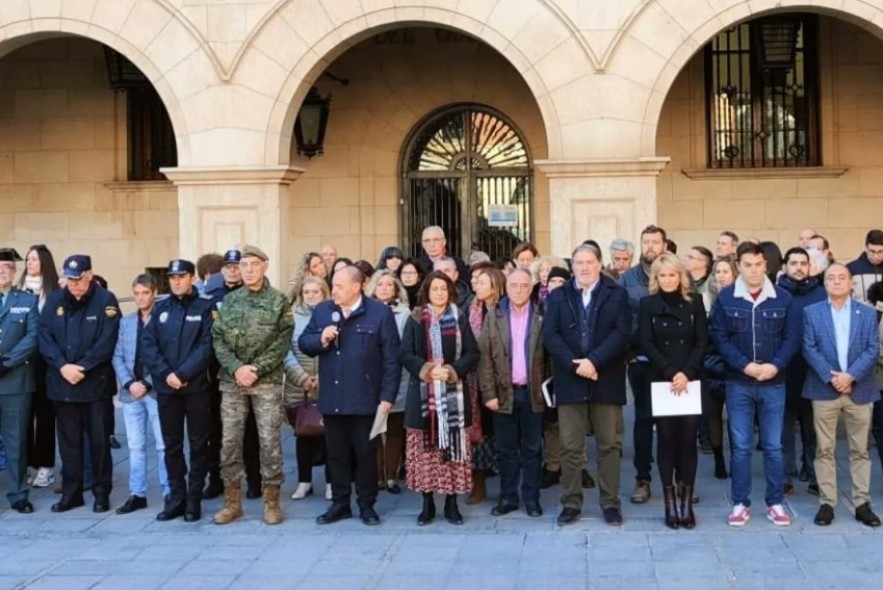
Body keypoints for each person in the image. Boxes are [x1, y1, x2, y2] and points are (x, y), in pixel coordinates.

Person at [299, 266, 400, 526]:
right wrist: (321, 338)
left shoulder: (379, 312)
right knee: (337, 455)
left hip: (366, 399)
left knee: (366, 455)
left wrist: (387, 396)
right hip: (333, 398)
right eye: (333, 286)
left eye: (339, 287)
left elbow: (391, 359)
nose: (334, 292)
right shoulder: (323, 311)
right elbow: (304, 343)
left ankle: (367, 505)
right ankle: (340, 504)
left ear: (357, 287)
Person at [709, 242, 801, 527]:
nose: (753, 270)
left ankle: (774, 502)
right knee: (741, 446)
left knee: (773, 446)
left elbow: (792, 337)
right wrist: (744, 365)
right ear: (739, 265)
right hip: (739, 382)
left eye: (758, 264)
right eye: (747, 265)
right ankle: (740, 503)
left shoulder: (783, 299)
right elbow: (719, 337)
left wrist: (774, 365)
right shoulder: (726, 298)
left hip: (774, 382)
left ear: (766, 265)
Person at [543, 243, 631, 526]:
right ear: (573, 267)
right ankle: (570, 503)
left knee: (608, 445)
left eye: (589, 262)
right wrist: (576, 365)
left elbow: (622, 333)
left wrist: (594, 361)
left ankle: (610, 503)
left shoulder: (617, 293)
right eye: (578, 262)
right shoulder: (558, 296)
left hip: (606, 378)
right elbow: (551, 336)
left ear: (599, 264)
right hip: (570, 379)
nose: (583, 267)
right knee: (570, 446)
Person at [212, 245, 293, 526]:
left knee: (270, 442)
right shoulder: (230, 301)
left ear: (264, 267)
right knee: (229, 442)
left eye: (253, 264)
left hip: (266, 382)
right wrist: (237, 368)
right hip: (232, 382)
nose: (247, 269)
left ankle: (272, 503)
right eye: (243, 265)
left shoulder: (279, 301)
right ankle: (232, 503)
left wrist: (255, 369)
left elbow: (282, 342)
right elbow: (218, 339)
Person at [801, 264, 881, 527]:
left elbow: (872, 349)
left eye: (841, 277)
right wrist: (833, 377)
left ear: (851, 283)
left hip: (860, 389)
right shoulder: (812, 313)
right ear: (824, 283)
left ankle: (862, 502)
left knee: (861, 449)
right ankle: (827, 502)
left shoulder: (868, 314)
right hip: (824, 389)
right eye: (830, 278)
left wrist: (850, 376)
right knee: (825, 449)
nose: (836, 281)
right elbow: (809, 348)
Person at [39, 254, 120, 513]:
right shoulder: (55, 300)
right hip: (63, 385)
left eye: (78, 279)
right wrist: (63, 366)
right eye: (70, 279)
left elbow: (106, 342)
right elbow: (45, 336)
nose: (73, 284)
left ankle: (101, 492)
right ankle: (72, 493)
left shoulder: (105, 301)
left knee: (99, 443)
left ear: (89, 275)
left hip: (94, 385)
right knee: (69, 444)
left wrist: (82, 367)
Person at [400, 271, 479, 526]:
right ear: (426, 291)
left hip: (453, 394)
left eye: (444, 289)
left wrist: (452, 371)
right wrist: (428, 369)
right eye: (435, 289)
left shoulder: (459, 318)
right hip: (423, 396)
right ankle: (427, 503)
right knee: (425, 453)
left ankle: (452, 503)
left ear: (450, 291)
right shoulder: (414, 319)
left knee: (454, 451)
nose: (439, 293)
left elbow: (472, 353)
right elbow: (405, 354)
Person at [140, 260, 215, 522]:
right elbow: (148, 345)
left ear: (192, 278)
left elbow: (207, 345)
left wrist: (183, 374)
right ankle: (176, 497)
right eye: (172, 277)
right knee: (171, 445)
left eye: (181, 276)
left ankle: (194, 499)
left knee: (198, 445)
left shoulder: (206, 307)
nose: (175, 281)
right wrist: (167, 374)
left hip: (195, 388)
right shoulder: (161, 308)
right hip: (167, 389)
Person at [638, 254, 707, 529]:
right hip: (661, 379)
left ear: (681, 276)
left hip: (689, 380)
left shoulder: (695, 302)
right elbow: (646, 341)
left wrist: (687, 372)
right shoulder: (647, 304)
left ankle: (686, 502)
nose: (667, 280)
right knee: (666, 440)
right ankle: (669, 503)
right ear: (656, 278)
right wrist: (670, 372)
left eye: (672, 274)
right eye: (662, 275)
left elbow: (703, 340)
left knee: (688, 441)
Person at [478, 268, 546, 517]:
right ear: (506, 287)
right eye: (514, 285)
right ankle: (508, 498)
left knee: (532, 449)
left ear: (531, 288)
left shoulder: (542, 314)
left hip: (532, 394)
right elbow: (484, 358)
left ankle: (532, 498)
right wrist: (489, 394)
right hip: (503, 394)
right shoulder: (494, 316)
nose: (519, 290)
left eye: (524, 285)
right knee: (506, 451)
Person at [203, 249, 262, 501]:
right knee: (217, 432)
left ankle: (255, 480)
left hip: (247, 373)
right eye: (228, 266)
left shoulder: (252, 296)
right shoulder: (212, 298)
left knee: (250, 431)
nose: (232, 270)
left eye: (236, 266)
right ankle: (216, 479)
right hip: (219, 375)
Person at [111, 274, 170, 515]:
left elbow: (166, 357)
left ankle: (169, 491)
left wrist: (145, 383)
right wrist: (128, 382)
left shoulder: (164, 319)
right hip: (130, 393)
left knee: (163, 445)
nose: (140, 298)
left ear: (154, 292)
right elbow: (117, 356)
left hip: (156, 391)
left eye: (145, 293)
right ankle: (137, 493)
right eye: (136, 293)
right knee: (135, 446)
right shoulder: (126, 322)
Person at [619, 224, 667, 504]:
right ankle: (643, 477)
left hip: (673, 362)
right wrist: (628, 353)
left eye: (655, 242)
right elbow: (622, 318)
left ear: (664, 245)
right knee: (644, 418)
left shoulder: (674, 273)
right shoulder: (629, 280)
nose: (650, 246)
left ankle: (677, 479)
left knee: (674, 422)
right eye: (646, 241)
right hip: (642, 360)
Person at [776, 248, 826, 496]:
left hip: (814, 369)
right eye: (793, 263)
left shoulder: (821, 294)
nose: (798, 267)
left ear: (809, 266)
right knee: (784, 426)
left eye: (803, 263)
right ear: (784, 266)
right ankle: (786, 475)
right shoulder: (775, 294)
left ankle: (815, 474)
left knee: (813, 425)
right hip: (784, 369)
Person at [284, 276, 332, 501]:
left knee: (331, 437)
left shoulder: (333, 314)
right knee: (303, 435)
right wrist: (302, 377)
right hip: (298, 386)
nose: (311, 296)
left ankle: (332, 482)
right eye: (307, 292)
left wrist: (323, 377)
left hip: (328, 385)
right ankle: (304, 482)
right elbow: (285, 351)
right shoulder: (291, 317)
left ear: (324, 293)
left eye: (316, 292)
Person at [0, 248, 40, 513]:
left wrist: (7, 362)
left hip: (15, 382)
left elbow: (33, 337)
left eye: (6, 267)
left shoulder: (28, 300)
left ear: (14, 272)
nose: (2, 271)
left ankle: (18, 494)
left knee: (16, 442)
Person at [364, 270, 411, 495]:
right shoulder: (364, 311)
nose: (384, 288)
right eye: (380, 284)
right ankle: (377, 475)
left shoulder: (404, 313)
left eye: (389, 285)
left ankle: (391, 476)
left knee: (393, 430)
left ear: (396, 289)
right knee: (374, 429)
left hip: (398, 376)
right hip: (370, 378)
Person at [463, 265, 506, 505]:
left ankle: (507, 488)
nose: (476, 285)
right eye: (475, 281)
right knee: (477, 437)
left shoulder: (505, 310)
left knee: (502, 436)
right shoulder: (470, 309)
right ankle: (477, 485)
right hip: (474, 384)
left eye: (481, 282)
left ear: (494, 286)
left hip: (502, 382)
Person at [17, 244, 58, 489]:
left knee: (44, 416)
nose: (30, 263)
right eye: (28, 259)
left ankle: (45, 466)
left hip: (45, 362)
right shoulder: (18, 289)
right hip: (23, 362)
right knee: (24, 415)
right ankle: (30, 464)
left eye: (34, 259)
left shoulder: (53, 292)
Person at [704, 257, 739, 479]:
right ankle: (718, 458)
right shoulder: (705, 299)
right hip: (710, 363)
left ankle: (737, 459)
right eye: (718, 272)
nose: (721, 276)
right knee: (712, 415)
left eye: (726, 271)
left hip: (735, 365)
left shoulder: (741, 299)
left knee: (736, 417)